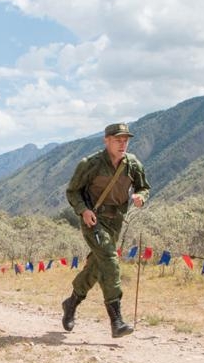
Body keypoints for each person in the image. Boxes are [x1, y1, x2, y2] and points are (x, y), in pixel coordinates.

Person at [62, 122, 150, 338]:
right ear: (107, 140)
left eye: (125, 140)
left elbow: (143, 186)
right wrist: (83, 211)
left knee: (97, 266)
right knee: (110, 260)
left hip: (116, 221)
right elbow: (73, 192)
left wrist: (141, 197)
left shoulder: (133, 164)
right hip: (93, 220)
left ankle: (71, 302)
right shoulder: (90, 164)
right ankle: (117, 321)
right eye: (118, 140)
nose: (123, 144)